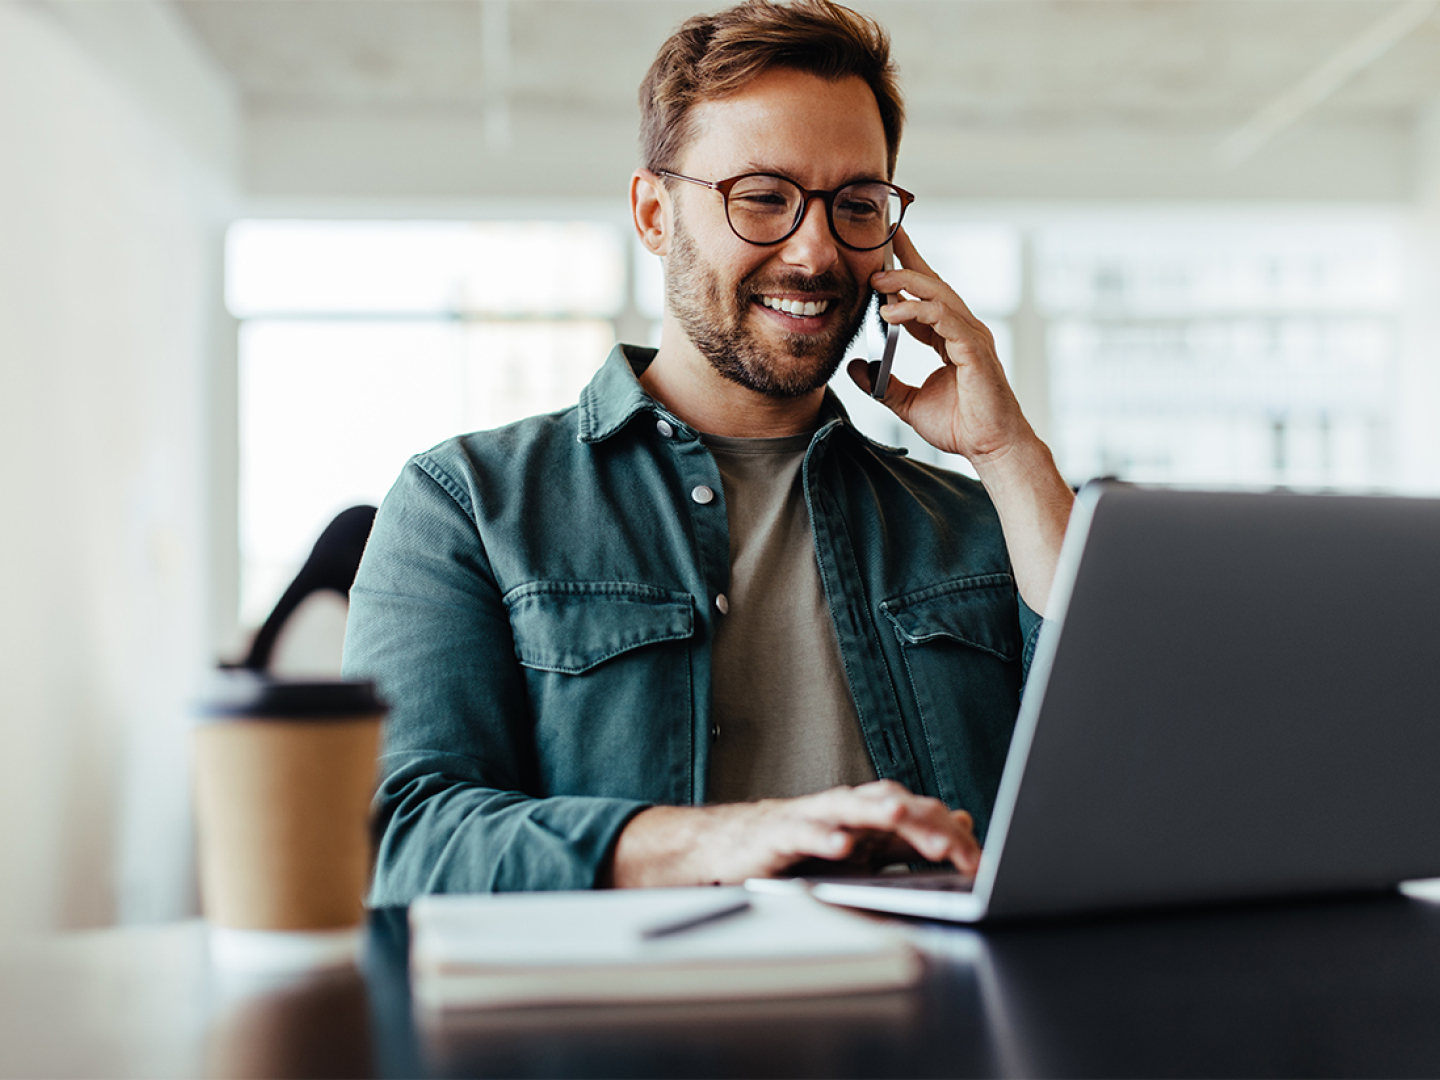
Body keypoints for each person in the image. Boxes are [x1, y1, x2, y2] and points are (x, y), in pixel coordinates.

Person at [343, 0, 1075, 901]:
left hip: (942, 1028)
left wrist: (1007, 452)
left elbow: (1129, 775)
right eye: (763, 197)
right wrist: (725, 840)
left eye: (856, 205)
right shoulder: (468, 505)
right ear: (655, 213)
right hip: (631, 1032)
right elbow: (396, 838)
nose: (815, 252)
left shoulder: (975, 523)